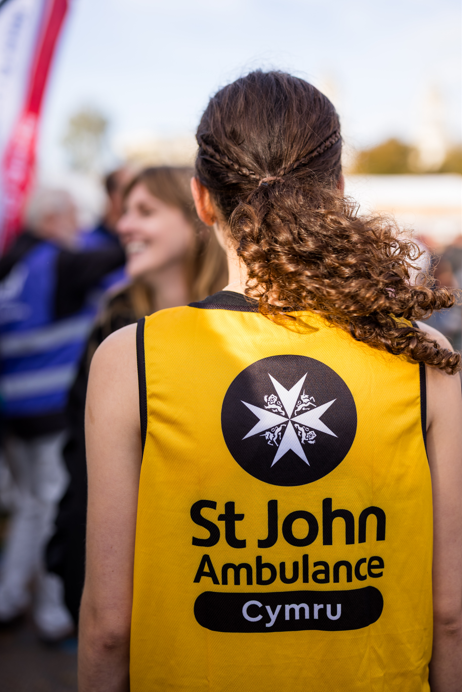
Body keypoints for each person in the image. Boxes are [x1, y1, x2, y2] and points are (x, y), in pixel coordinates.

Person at [78, 72, 462, 692]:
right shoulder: (421, 353)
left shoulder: (133, 358)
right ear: (337, 190)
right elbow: (449, 614)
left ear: (202, 199)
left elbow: (106, 626)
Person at [46, 166, 228, 625]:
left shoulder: (239, 334)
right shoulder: (113, 327)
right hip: (124, 587)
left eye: (145, 211)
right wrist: (71, 564)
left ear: (198, 215)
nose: (124, 225)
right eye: (124, 211)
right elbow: (79, 463)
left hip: (215, 573)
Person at [0, 187, 125, 639]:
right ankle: (54, 613)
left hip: (12, 412)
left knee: (31, 505)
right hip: (49, 410)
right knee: (54, 508)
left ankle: (10, 597)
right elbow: (115, 254)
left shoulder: (13, 261)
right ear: (51, 219)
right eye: (72, 214)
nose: (78, 224)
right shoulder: (60, 261)